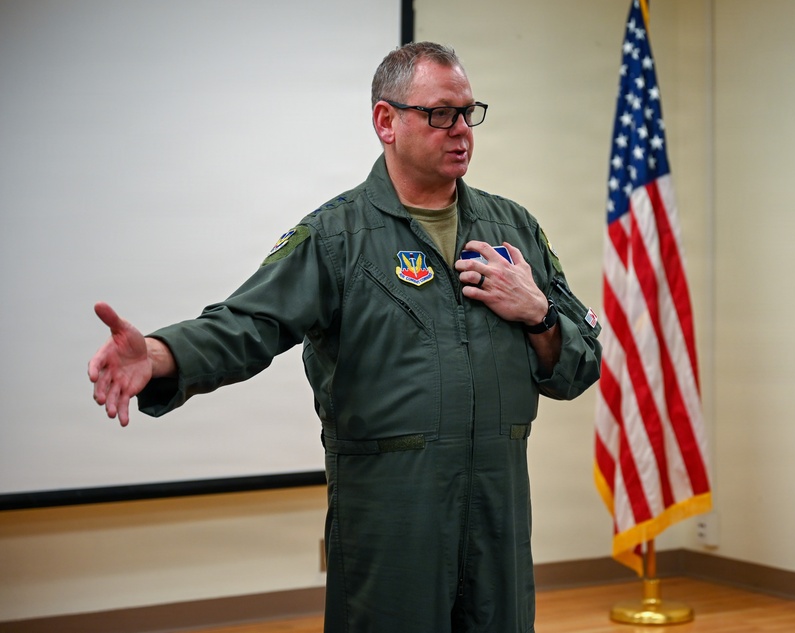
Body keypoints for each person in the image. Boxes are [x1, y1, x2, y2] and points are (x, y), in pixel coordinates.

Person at [88, 41, 601, 632]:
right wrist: (158, 354)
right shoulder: (339, 235)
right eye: (439, 113)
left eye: (468, 111)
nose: (461, 130)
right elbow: (249, 323)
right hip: (390, 515)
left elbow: (581, 362)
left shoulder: (514, 229)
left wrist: (536, 312)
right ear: (386, 120)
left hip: (498, 506)